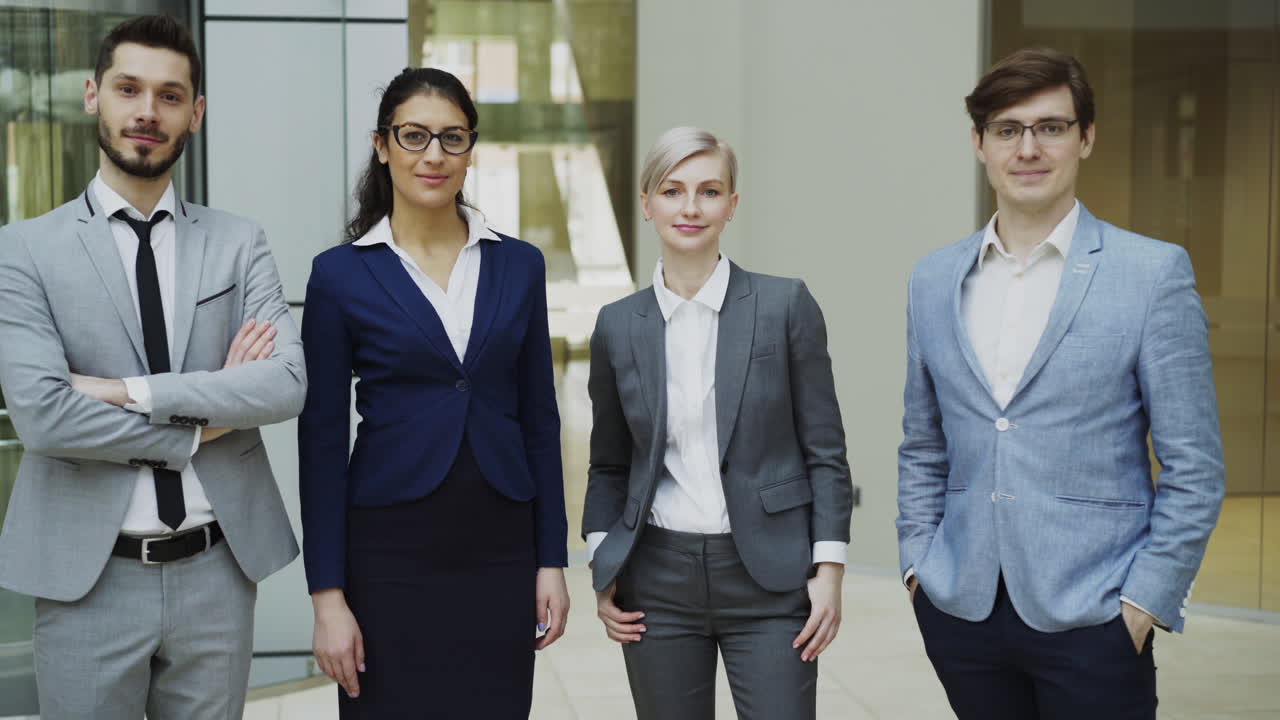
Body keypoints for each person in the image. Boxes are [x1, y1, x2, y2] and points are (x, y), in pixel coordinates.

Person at [896, 47, 1225, 719]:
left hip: (1096, 616)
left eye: (1050, 127)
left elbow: (1195, 464)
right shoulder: (934, 278)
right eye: (1007, 129)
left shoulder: (1151, 274)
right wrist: (917, 566)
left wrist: (1145, 600)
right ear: (979, 143)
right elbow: (923, 444)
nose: (1028, 149)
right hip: (962, 612)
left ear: (1086, 137)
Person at [0, 14, 306, 720]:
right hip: (87, 580)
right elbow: (44, 416)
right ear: (93, 96)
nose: (147, 111)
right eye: (128, 89)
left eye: (170, 96)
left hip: (218, 574)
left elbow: (285, 384)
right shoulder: (25, 250)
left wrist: (123, 391)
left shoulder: (238, 243)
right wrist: (202, 423)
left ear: (195, 113)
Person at [298, 66, 570, 718]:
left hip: (501, 551)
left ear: (471, 149)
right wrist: (327, 597)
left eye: (452, 138)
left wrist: (551, 560)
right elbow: (322, 444)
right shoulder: (339, 276)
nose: (434, 155)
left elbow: (540, 418)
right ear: (382, 144)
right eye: (414, 136)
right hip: (387, 555)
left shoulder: (519, 265)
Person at [583, 126, 854, 720]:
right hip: (656, 583)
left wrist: (829, 568)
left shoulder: (785, 305)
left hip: (771, 578)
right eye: (672, 190)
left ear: (731, 205)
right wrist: (605, 562)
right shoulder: (617, 325)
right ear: (647, 203)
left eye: (708, 191)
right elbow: (608, 463)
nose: (690, 207)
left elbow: (825, 452)